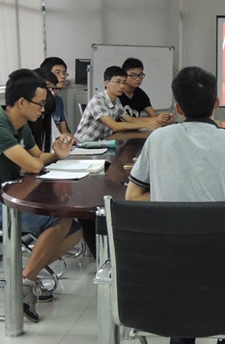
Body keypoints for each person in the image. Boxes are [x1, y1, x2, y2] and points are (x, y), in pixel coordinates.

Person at [125, 66, 225, 344]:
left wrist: (168, 192)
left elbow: (133, 196)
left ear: (178, 108)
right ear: (216, 103)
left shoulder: (157, 139)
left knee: (183, 292)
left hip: (166, 269)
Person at [0, 69, 83, 322]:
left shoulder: (21, 125)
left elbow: (38, 158)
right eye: (40, 103)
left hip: (11, 195)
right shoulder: (1, 125)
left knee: (75, 229)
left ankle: (25, 280)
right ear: (21, 102)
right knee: (58, 219)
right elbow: (34, 165)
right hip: (4, 201)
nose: (43, 109)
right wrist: (41, 160)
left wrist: (57, 153)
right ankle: (24, 284)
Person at [74, 66, 172, 142]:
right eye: (118, 82)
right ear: (107, 83)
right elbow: (114, 126)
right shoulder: (97, 100)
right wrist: (146, 124)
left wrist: (158, 121)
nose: (121, 86)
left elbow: (130, 119)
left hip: (101, 144)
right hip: (84, 145)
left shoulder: (116, 101)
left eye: (124, 82)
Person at [40, 57, 73, 137]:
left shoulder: (58, 100)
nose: (62, 76)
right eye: (57, 72)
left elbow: (64, 131)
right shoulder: (39, 100)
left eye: (64, 73)